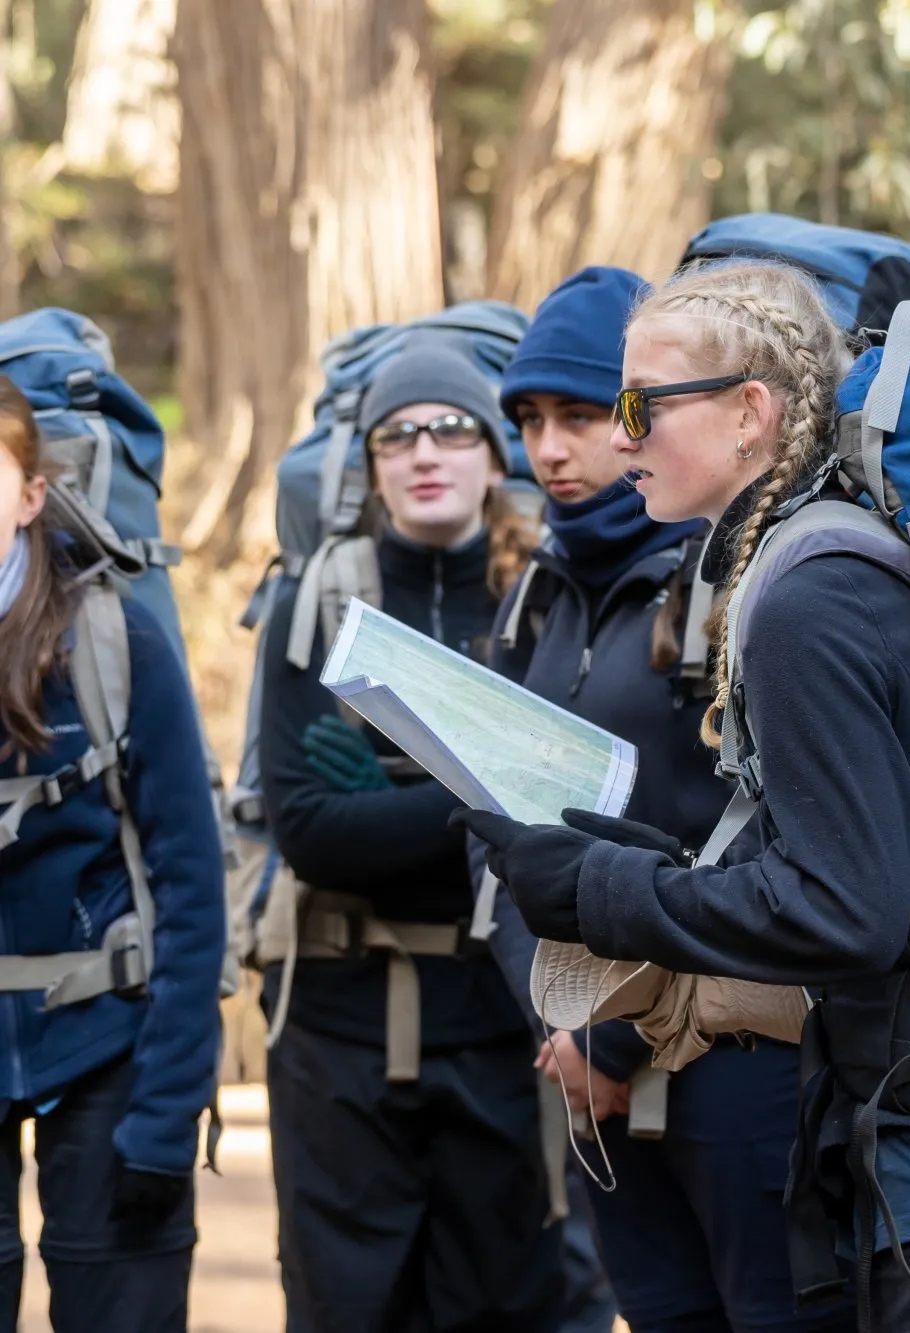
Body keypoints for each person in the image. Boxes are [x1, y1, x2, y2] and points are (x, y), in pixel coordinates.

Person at [459, 259, 910, 1333]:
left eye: (638, 405)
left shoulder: (807, 596)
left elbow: (843, 910)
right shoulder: (826, 560)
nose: (620, 438)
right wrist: (646, 868)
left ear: (750, 413)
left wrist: (609, 891)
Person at [482, 263, 853, 1333]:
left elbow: (758, 838)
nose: (553, 449)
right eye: (529, 420)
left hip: (734, 1064)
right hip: (583, 1058)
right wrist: (559, 1023)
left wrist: (612, 1037)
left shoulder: (740, 578)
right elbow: (512, 824)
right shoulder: (541, 590)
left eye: (589, 413)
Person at [256, 339, 563, 1332]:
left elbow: (569, 815)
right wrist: (487, 798)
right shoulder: (315, 603)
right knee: (343, 1310)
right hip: (336, 1033)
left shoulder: (545, 603)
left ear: (491, 454)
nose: (425, 450)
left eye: (450, 429)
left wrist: (397, 801)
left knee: (504, 1306)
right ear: (372, 462)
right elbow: (310, 832)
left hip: (504, 1029)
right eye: (398, 434)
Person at [0, 375, 225, 1332]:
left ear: (30, 493)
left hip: (109, 1042)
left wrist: (167, 1115)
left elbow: (190, 880)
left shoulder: (112, 637)